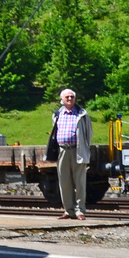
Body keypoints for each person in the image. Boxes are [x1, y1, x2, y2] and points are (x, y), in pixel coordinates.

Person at [51, 88, 93, 220]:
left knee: (79, 182)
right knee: (64, 182)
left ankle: (80, 211)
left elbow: (89, 133)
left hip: (77, 150)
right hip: (62, 150)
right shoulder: (57, 114)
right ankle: (68, 210)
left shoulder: (82, 114)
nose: (70, 99)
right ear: (62, 99)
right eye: (67, 97)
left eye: (72, 97)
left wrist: (85, 148)